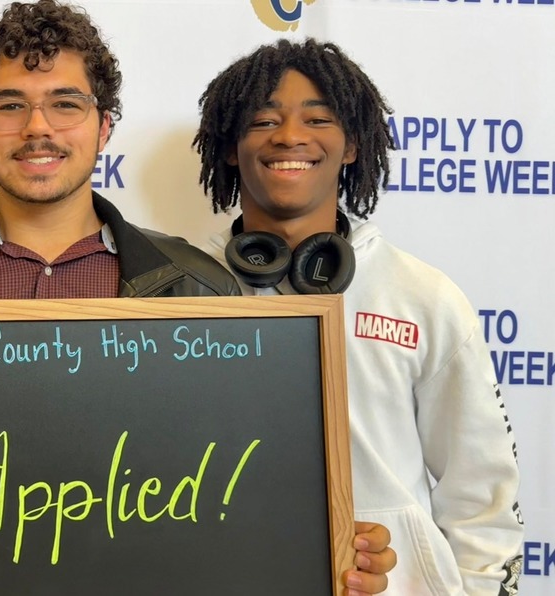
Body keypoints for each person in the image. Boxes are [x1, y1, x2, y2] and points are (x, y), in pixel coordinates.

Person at [0, 3, 396, 593]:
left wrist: (321, 545)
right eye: (10, 107)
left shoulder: (202, 287)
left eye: (65, 104)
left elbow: (243, 496)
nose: (38, 128)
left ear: (103, 125)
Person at [193, 38, 524, 596]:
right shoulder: (182, 288)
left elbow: (482, 496)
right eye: (263, 120)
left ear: (351, 146)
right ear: (229, 148)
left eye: (318, 119)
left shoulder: (424, 297)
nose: (290, 136)